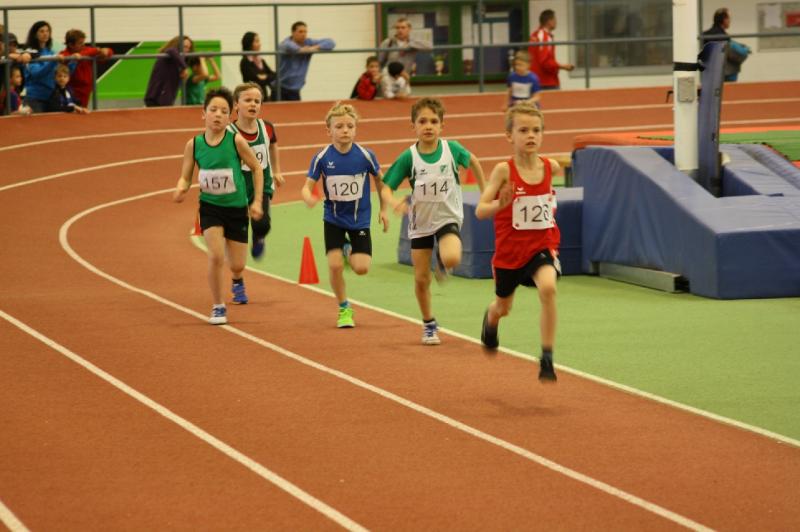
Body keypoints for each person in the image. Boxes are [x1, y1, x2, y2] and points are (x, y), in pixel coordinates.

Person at [380, 97, 486, 345]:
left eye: (433, 121)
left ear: (442, 125)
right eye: (422, 121)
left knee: (452, 258)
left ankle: (442, 260)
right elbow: (386, 187)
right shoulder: (409, 157)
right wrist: (393, 202)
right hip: (421, 223)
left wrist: (485, 191)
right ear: (413, 126)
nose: (428, 126)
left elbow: (474, 162)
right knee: (421, 279)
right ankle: (429, 324)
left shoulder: (452, 150)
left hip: (448, 217)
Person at [475, 103, 561, 382]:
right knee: (504, 308)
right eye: (523, 130)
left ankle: (547, 356)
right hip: (510, 254)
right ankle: (491, 319)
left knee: (548, 288)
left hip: (541, 246)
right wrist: (501, 204)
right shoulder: (504, 171)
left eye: (536, 130)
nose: (530, 135)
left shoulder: (550, 167)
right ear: (509, 136)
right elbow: (480, 210)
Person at [172, 87, 265, 325]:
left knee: (237, 264)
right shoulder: (194, 144)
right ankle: (218, 305)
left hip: (237, 209)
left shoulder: (236, 141)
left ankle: (237, 278)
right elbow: (185, 176)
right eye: (213, 110)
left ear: (229, 115)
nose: (218, 115)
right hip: (210, 207)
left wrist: (256, 201)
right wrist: (181, 188)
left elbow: (257, 168)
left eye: (224, 111)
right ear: (203, 113)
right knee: (215, 257)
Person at [301, 102, 388, 328]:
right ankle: (344, 308)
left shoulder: (365, 155)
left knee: (361, 268)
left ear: (355, 129)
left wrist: (384, 208)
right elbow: (307, 186)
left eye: (350, 126)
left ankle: (349, 249)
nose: (345, 130)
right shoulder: (322, 158)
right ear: (328, 130)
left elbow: (380, 180)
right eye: (339, 126)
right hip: (334, 219)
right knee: (334, 265)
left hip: (360, 220)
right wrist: (308, 197)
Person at [228, 81, 285, 275]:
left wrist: (277, 170)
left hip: (262, 186)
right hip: (238, 188)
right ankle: (237, 270)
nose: (253, 104)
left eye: (257, 101)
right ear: (236, 105)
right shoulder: (229, 133)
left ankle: (259, 237)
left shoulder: (266, 127)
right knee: (238, 230)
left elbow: (273, 145)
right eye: (248, 100)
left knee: (263, 224)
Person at [277, 21, 335, 101]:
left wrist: (315, 47)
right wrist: (306, 49)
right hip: (280, 88)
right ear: (293, 33)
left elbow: (331, 42)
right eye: (300, 32)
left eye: (305, 32)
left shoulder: (308, 42)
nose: (303, 34)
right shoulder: (285, 43)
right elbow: (291, 47)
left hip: (295, 89)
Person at [58, 29, 113, 107]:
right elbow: (65, 59)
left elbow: (108, 52)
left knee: (82, 111)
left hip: (85, 90)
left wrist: (106, 51)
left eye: (83, 42)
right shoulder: (64, 54)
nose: (83, 45)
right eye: (80, 43)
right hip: (70, 89)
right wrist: (93, 51)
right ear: (70, 45)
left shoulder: (86, 50)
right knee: (70, 111)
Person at [23, 21, 67, 113]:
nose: (45, 34)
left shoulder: (51, 52)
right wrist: (53, 61)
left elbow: (59, 73)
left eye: (47, 31)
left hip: (51, 98)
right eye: (42, 31)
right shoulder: (30, 53)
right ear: (35, 34)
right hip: (35, 99)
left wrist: (73, 61)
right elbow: (37, 73)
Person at [528, 10, 574, 90]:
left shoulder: (534, 34)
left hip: (536, 79)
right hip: (546, 81)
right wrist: (562, 66)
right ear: (549, 21)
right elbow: (545, 61)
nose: (556, 22)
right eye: (555, 19)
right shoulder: (545, 37)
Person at [702, 8, 751, 82]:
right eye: (729, 18)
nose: (729, 21)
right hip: (726, 74)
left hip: (708, 73)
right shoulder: (723, 37)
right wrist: (745, 50)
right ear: (724, 20)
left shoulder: (705, 35)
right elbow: (734, 54)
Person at [144, 35, 192, 107]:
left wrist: (183, 76)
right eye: (185, 47)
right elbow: (171, 50)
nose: (187, 50)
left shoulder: (177, 61)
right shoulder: (169, 55)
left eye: (189, 48)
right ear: (177, 45)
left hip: (165, 97)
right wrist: (185, 68)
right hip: (157, 96)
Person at [240, 31, 276, 101]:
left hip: (263, 97)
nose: (260, 44)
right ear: (249, 44)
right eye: (256, 41)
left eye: (259, 41)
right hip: (251, 97)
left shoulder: (261, 60)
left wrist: (265, 77)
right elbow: (254, 81)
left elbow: (274, 75)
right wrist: (266, 77)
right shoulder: (245, 62)